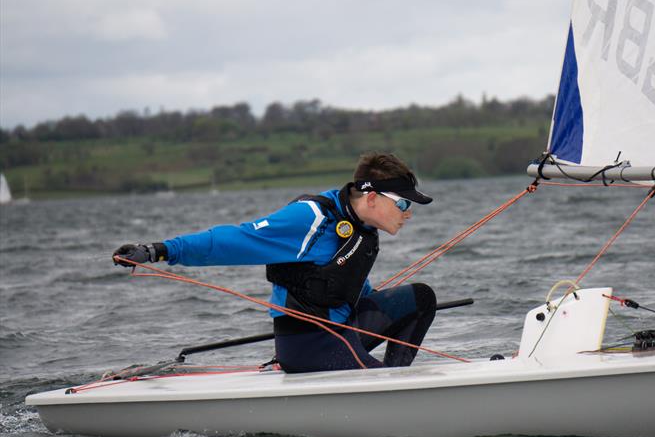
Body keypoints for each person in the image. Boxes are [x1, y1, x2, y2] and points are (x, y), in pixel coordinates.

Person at [113, 152, 437, 373]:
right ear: (371, 198)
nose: (408, 213)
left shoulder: (363, 227)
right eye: (403, 203)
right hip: (309, 344)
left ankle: (392, 380)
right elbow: (231, 240)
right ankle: (385, 386)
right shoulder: (309, 218)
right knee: (374, 370)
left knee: (420, 299)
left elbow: (344, 282)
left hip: (343, 332)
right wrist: (159, 250)